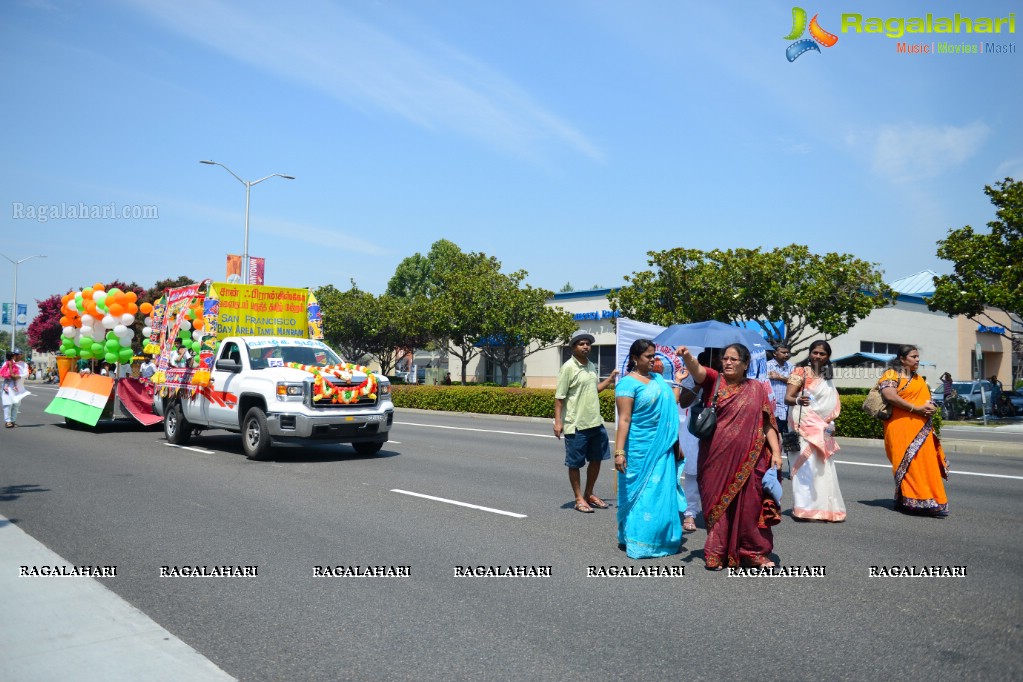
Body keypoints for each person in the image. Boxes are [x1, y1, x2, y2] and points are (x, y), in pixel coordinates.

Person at [678, 343, 783, 570]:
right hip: (715, 458)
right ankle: (715, 552)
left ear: (746, 364)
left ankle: (753, 552)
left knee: (751, 508)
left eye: (734, 359)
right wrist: (687, 357)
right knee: (717, 504)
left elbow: (767, 424)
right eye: (725, 358)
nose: (728, 362)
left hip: (750, 459)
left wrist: (775, 453)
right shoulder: (715, 381)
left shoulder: (757, 388)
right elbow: (698, 371)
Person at [613, 339, 687, 559]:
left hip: (662, 447)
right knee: (641, 494)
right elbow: (624, 420)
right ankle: (638, 541)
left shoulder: (657, 379)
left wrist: (678, 382)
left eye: (654, 355)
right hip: (639, 448)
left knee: (660, 493)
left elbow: (669, 407)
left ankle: (660, 539)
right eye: (648, 356)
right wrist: (619, 452)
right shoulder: (627, 384)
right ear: (635, 358)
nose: (653, 359)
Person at [879, 345, 948, 517]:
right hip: (900, 426)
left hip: (921, 428)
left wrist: (931, 408)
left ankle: (917, 500)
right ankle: (916, 501)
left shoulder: (919, 379)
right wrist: (915, 409)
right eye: (913, 356)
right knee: (908, 465)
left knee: (925, 465)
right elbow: (890, 396)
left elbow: (926, 400)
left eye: (918, 357)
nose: (917, 360)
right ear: (902, 359)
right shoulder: (891, 375)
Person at [554, 331, 619, 513]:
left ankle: (589, 493)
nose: (585, 346)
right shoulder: (568, 367)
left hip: (595, 423)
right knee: (575, 463)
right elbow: (559, 397)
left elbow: (594, 389)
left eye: (588, 344)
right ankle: (578, 498)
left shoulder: (591, 365)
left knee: (597, 459)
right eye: (581, 344)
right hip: (576, 424)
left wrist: (610, 379)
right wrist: (558, 422)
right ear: (573, 347)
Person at [784, 340, 846, 522]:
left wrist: (829, 424)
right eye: (815, 352)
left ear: (828, 357)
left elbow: (830, 403)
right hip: (803, 425)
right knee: (805, 466)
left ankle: (825, 509)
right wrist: (798, 401)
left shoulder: (827, 376)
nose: (817, 356)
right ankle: (803, 509)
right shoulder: (800, 371)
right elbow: (788, 397)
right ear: (810, 353)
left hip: (822, 427)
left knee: (822, 467)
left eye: (822, 354)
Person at [767, 345, 793, 435]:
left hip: (787, 407)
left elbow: (795, 382)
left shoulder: (791, 366)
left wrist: (780, 377)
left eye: (787, 352)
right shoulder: (767, 366)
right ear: (775, 353)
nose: (786, 354)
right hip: (773, 407)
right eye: (783, 352)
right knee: (773, 434)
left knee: (787, 437)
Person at [2, 350, 28, 428]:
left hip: (18, 386)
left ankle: (13, 421)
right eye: (17, 354)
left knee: (16, 404)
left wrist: (19, 376)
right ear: (14, 355)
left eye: (20, 354)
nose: (19, 356)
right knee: (8, 404)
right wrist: (10, 375)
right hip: (9, 386)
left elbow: (26, 373)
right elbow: (3, 371)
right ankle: (7, 421)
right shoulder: (8, 362)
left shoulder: (24, 364)